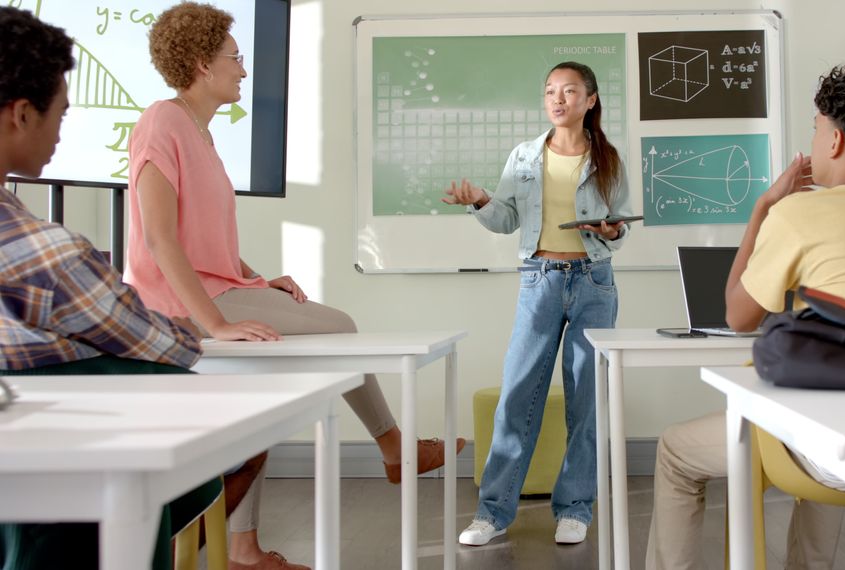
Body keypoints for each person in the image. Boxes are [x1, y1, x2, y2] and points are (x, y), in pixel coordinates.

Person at [123, 3, 462, 569]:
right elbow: (160, 240)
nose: (244, 70)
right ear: (203, 64)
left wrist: (257, 280)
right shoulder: (162, 122)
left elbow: (206, 241)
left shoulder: (201, 134)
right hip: (176, 306)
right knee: (340, 327)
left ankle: (244, 550)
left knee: (262, 399)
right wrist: (219, 325)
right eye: (235, 59)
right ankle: (393, 446)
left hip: (217, 288)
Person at [646, 61, 845, 570]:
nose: (814, 139)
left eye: (816, 127)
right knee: (835, 402)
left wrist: (763, 208)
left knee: (674, 451)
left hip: (835, 449)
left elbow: (738, 316)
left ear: (837, 140)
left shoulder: (798, 213)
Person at [0, 6, 216, 569]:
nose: (62, 131)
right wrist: (199, 327)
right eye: (61, 114)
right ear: (21, 115)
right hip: (66, 493)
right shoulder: (48, 256)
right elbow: (169, 347)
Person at [444, 61, 633, 546]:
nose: (558, 98)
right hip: (540, 279)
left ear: (590, 100)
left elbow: (618, 226)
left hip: (594, 282)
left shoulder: (609, 158)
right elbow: (506, 220)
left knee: (586, 400)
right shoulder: (526, 156)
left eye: (570, 91)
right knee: (517, 395)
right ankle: (492, 512)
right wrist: (481, 200)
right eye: (551, 90)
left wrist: (612, 230)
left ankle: (575, 509)